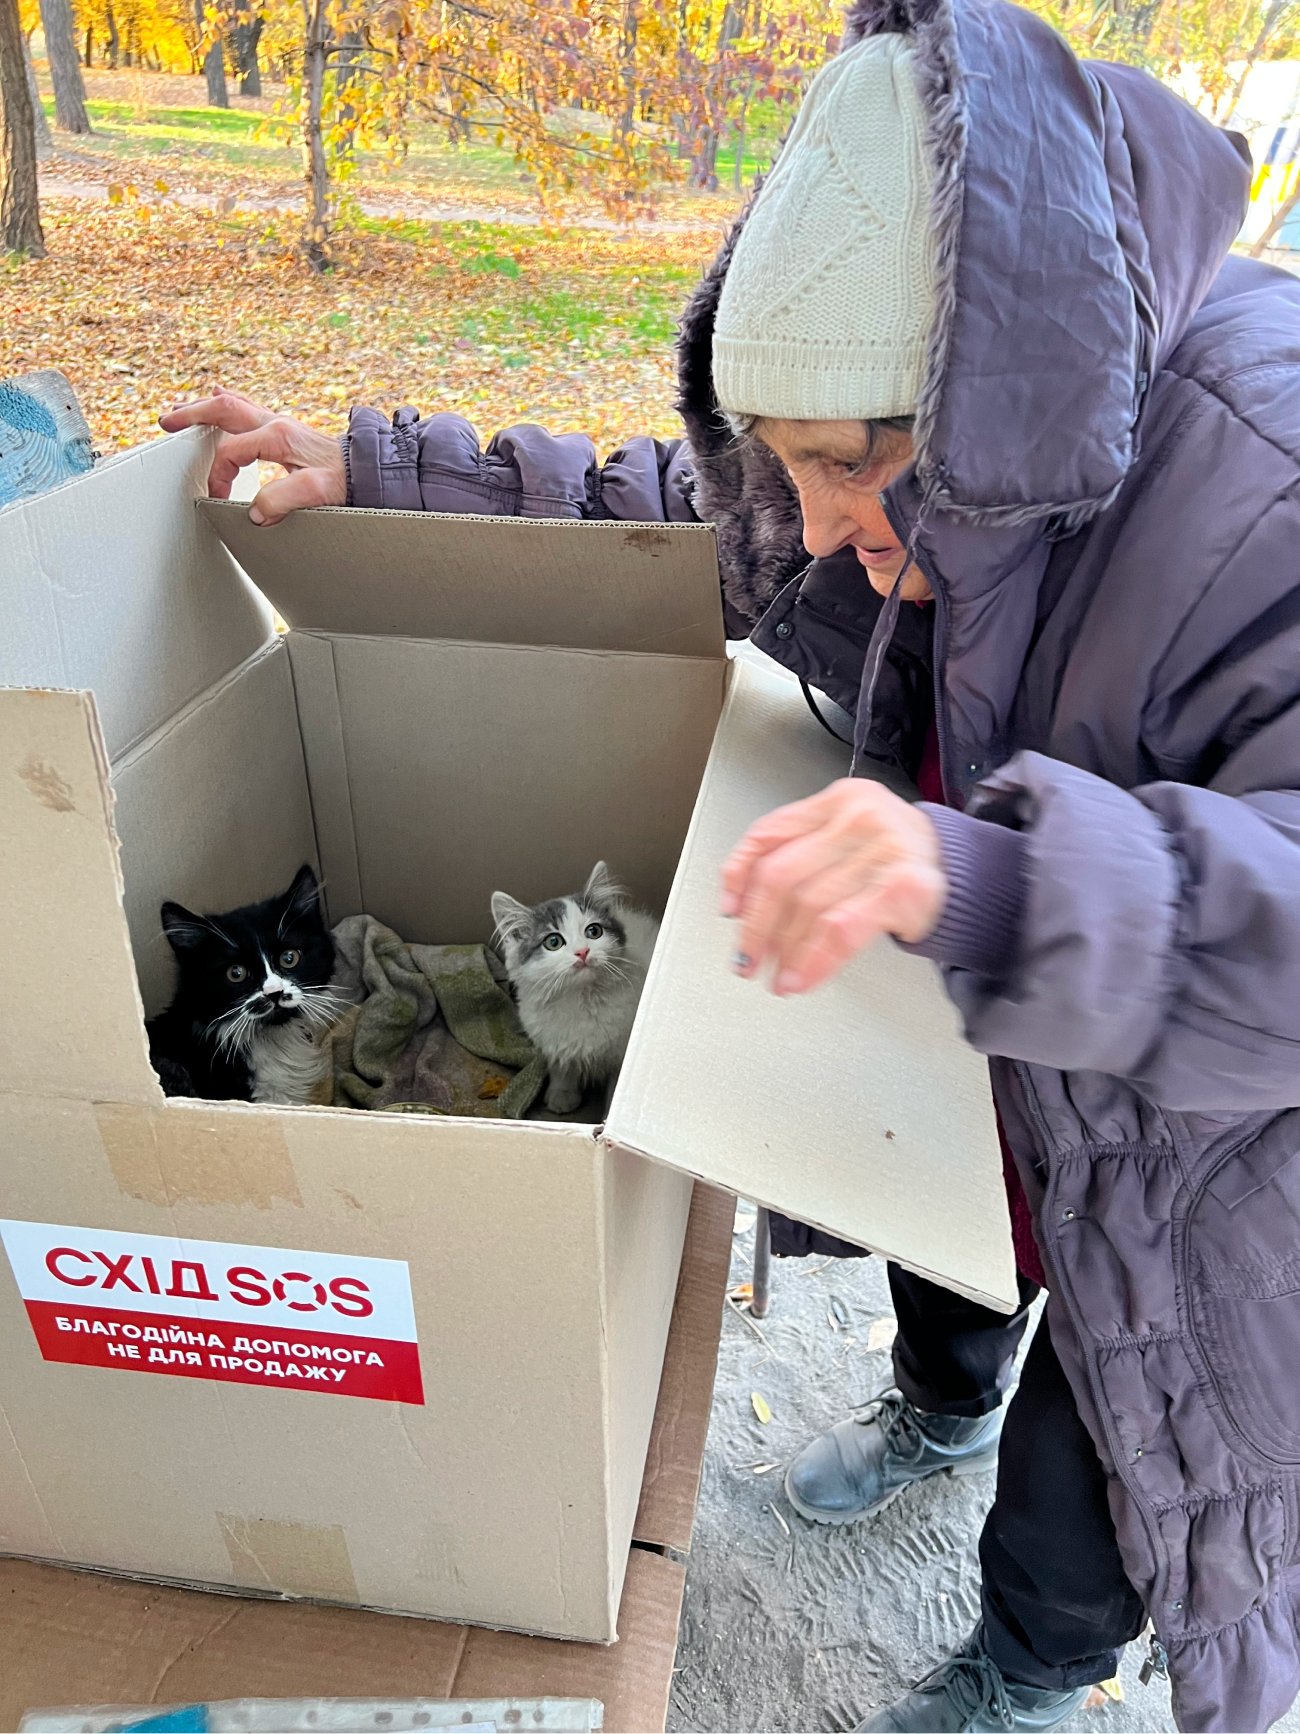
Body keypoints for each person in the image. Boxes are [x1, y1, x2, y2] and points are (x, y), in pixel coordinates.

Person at [160, 0, 1300, 1727]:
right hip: (969, 1006)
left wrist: (998, 886)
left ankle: (1030, 1657)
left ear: (1005, 406)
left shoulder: (1258, 483)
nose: (826, 519)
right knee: (952, 1228)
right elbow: (698, 519)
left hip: (1193, 1130)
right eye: (795, 462)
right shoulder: (883, 441)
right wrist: (379, 467)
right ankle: (937, 1394)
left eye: (853, 466)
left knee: (1115, 1432)